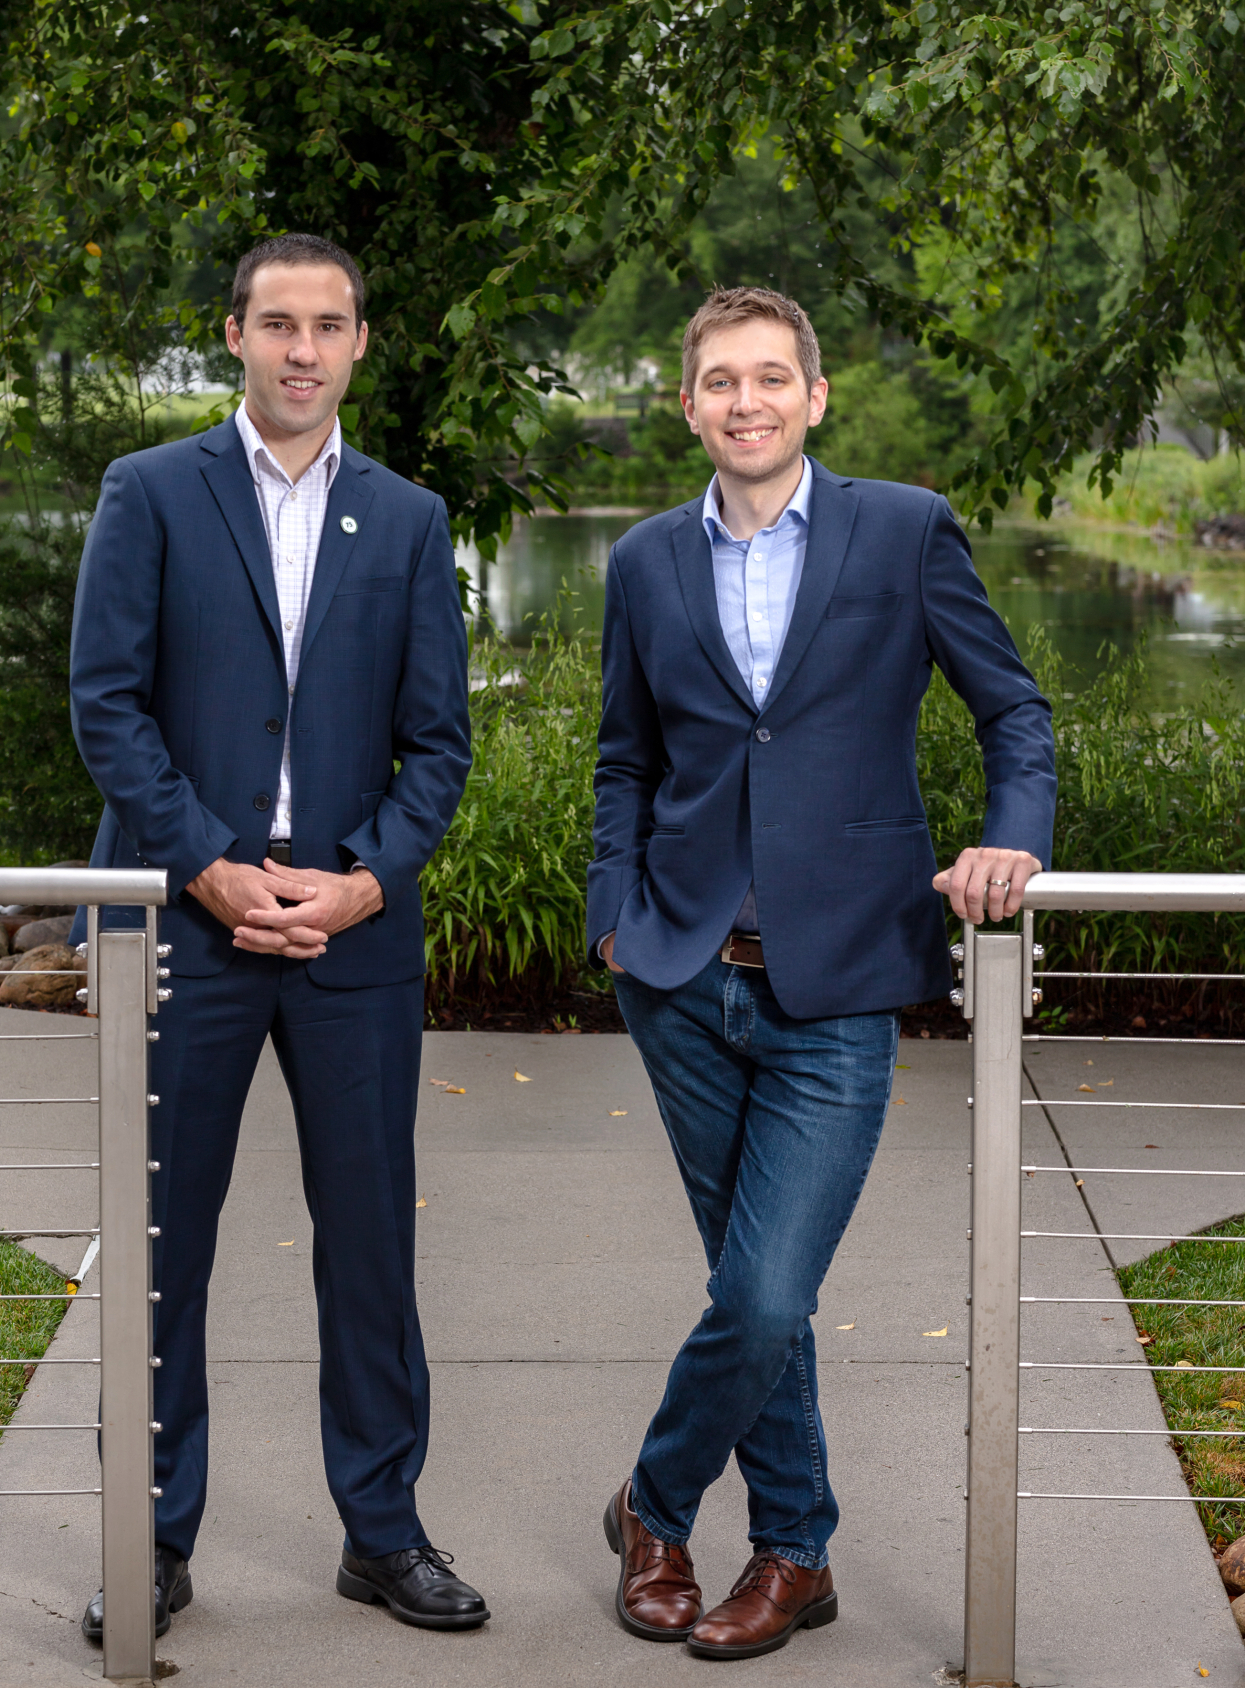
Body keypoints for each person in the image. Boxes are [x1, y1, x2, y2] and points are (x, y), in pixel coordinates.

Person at [588, 285, 1055, 1661]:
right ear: (689, 403)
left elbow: (1012, 709)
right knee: (751, 1290)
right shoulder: (643, 562)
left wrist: (1007, 841)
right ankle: (795, 1557)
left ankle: (656, 1503)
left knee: (764, 1294)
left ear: (815, 395)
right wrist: (614, 914)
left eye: (770, 379)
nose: (745, 402)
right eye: (719, 381)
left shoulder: (901, 531)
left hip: (837, 980)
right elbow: (625, 758)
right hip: (677, 979)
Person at [69, 233, 487, 1639]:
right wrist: (204, 865)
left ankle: (382, 1532)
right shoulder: (151, 494)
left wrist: (367, 879)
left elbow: (439, 743)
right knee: (161, 1240)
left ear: (360, 342)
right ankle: (154, 1539)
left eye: (329, 325)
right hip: (183, 929)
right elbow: (106, 705)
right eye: (278, 323)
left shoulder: (411, 519)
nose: (303, 349)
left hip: (355, 936)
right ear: (233, 336)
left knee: (367, 1244)